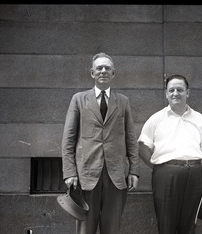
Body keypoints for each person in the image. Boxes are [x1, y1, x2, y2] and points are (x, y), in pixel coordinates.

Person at [62, 52, 139, 234]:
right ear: (92, 73)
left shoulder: (123, 101)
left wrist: (134, 170)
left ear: (113, 74)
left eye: (107, 68)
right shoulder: (79, 99)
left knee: (112, 228)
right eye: (99, 68)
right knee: (85, 228)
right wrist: (69, 172)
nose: (103, 71)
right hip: (86, 174)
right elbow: (68, 140)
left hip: (116, 175)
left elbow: (131, 138)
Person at [138, 74, 202, 234]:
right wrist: (158, 168)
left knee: (189, 224)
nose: (175, 93)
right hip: (165, 176)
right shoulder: (156, 119)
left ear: (187, 93)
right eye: (171, 90)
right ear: (166, 94)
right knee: (166, 224)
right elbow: (142, 147)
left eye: (180, 89)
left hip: (194, 174)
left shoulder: (199, 118)